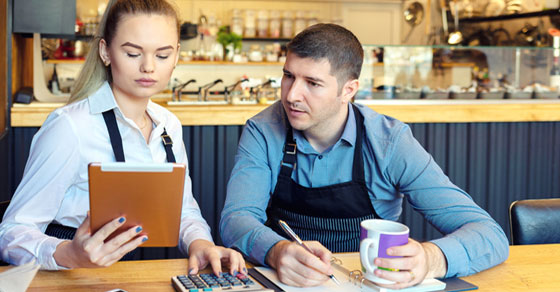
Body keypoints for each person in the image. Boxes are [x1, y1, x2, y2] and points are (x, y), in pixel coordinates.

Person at [220, 23, 509, 289]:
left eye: (312, 83)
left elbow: (490, 235)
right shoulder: (263, 130)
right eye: (288, 76)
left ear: (348, 90)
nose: (292, 95)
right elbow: (236, 219)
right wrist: (275, 250)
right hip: (290, 283)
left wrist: (431, 259)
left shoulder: (389, 142)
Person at [0, 0, 245, 275]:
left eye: (162, 55)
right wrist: (70, 254)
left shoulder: (168, 125)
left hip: (135, 273)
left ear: (176, 55)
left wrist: (200, 243)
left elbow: (183, 210)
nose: (148, 67)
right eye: (132, 53)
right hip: (70, 277)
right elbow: (11, 232)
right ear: (106, 52)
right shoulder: (70, 127)